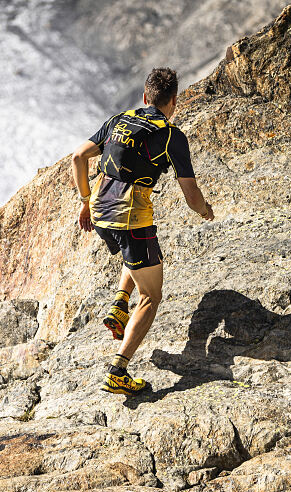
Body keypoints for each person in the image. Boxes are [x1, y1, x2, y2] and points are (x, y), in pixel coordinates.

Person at [71, 67, 215, 395]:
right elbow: (192, 196)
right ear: (173, 102)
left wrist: (84, 201)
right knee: (151, 295)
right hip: (129, 220)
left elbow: (79, 157)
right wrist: (205, 211)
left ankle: (120, 305)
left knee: (140, 259)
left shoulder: (118, 120)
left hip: (99, 212)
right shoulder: (171, 136)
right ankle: (118, 371)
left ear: (145, 96)